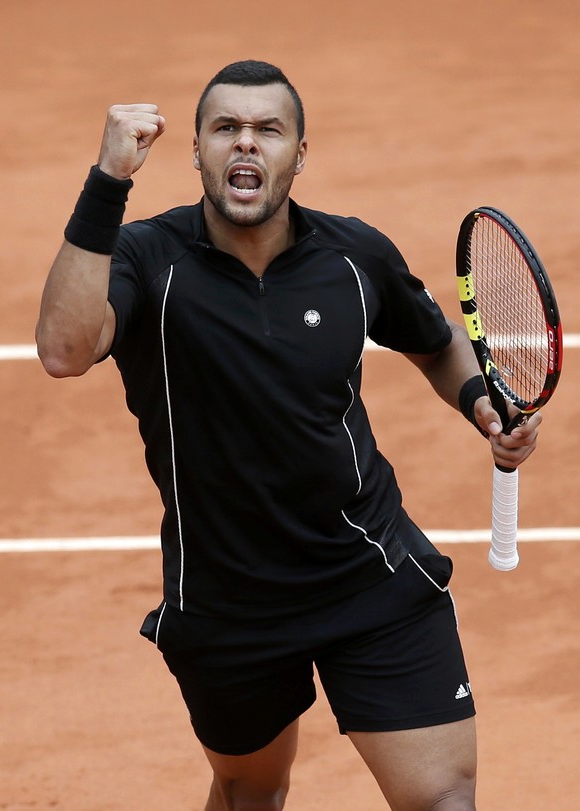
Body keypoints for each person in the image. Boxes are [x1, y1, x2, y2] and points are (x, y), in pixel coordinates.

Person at [36, 60, 540, 811]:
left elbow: (432, 339)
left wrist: (479, 400)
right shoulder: (148, 259)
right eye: (226, 129)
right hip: (227, 595)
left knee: (446, 801)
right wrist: (108, 180)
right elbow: (63, 350)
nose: (246, 145)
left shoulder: (354, 255)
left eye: (268, 130)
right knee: (252, 793)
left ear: (300, 154)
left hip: (367, 572)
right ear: (198, 152)